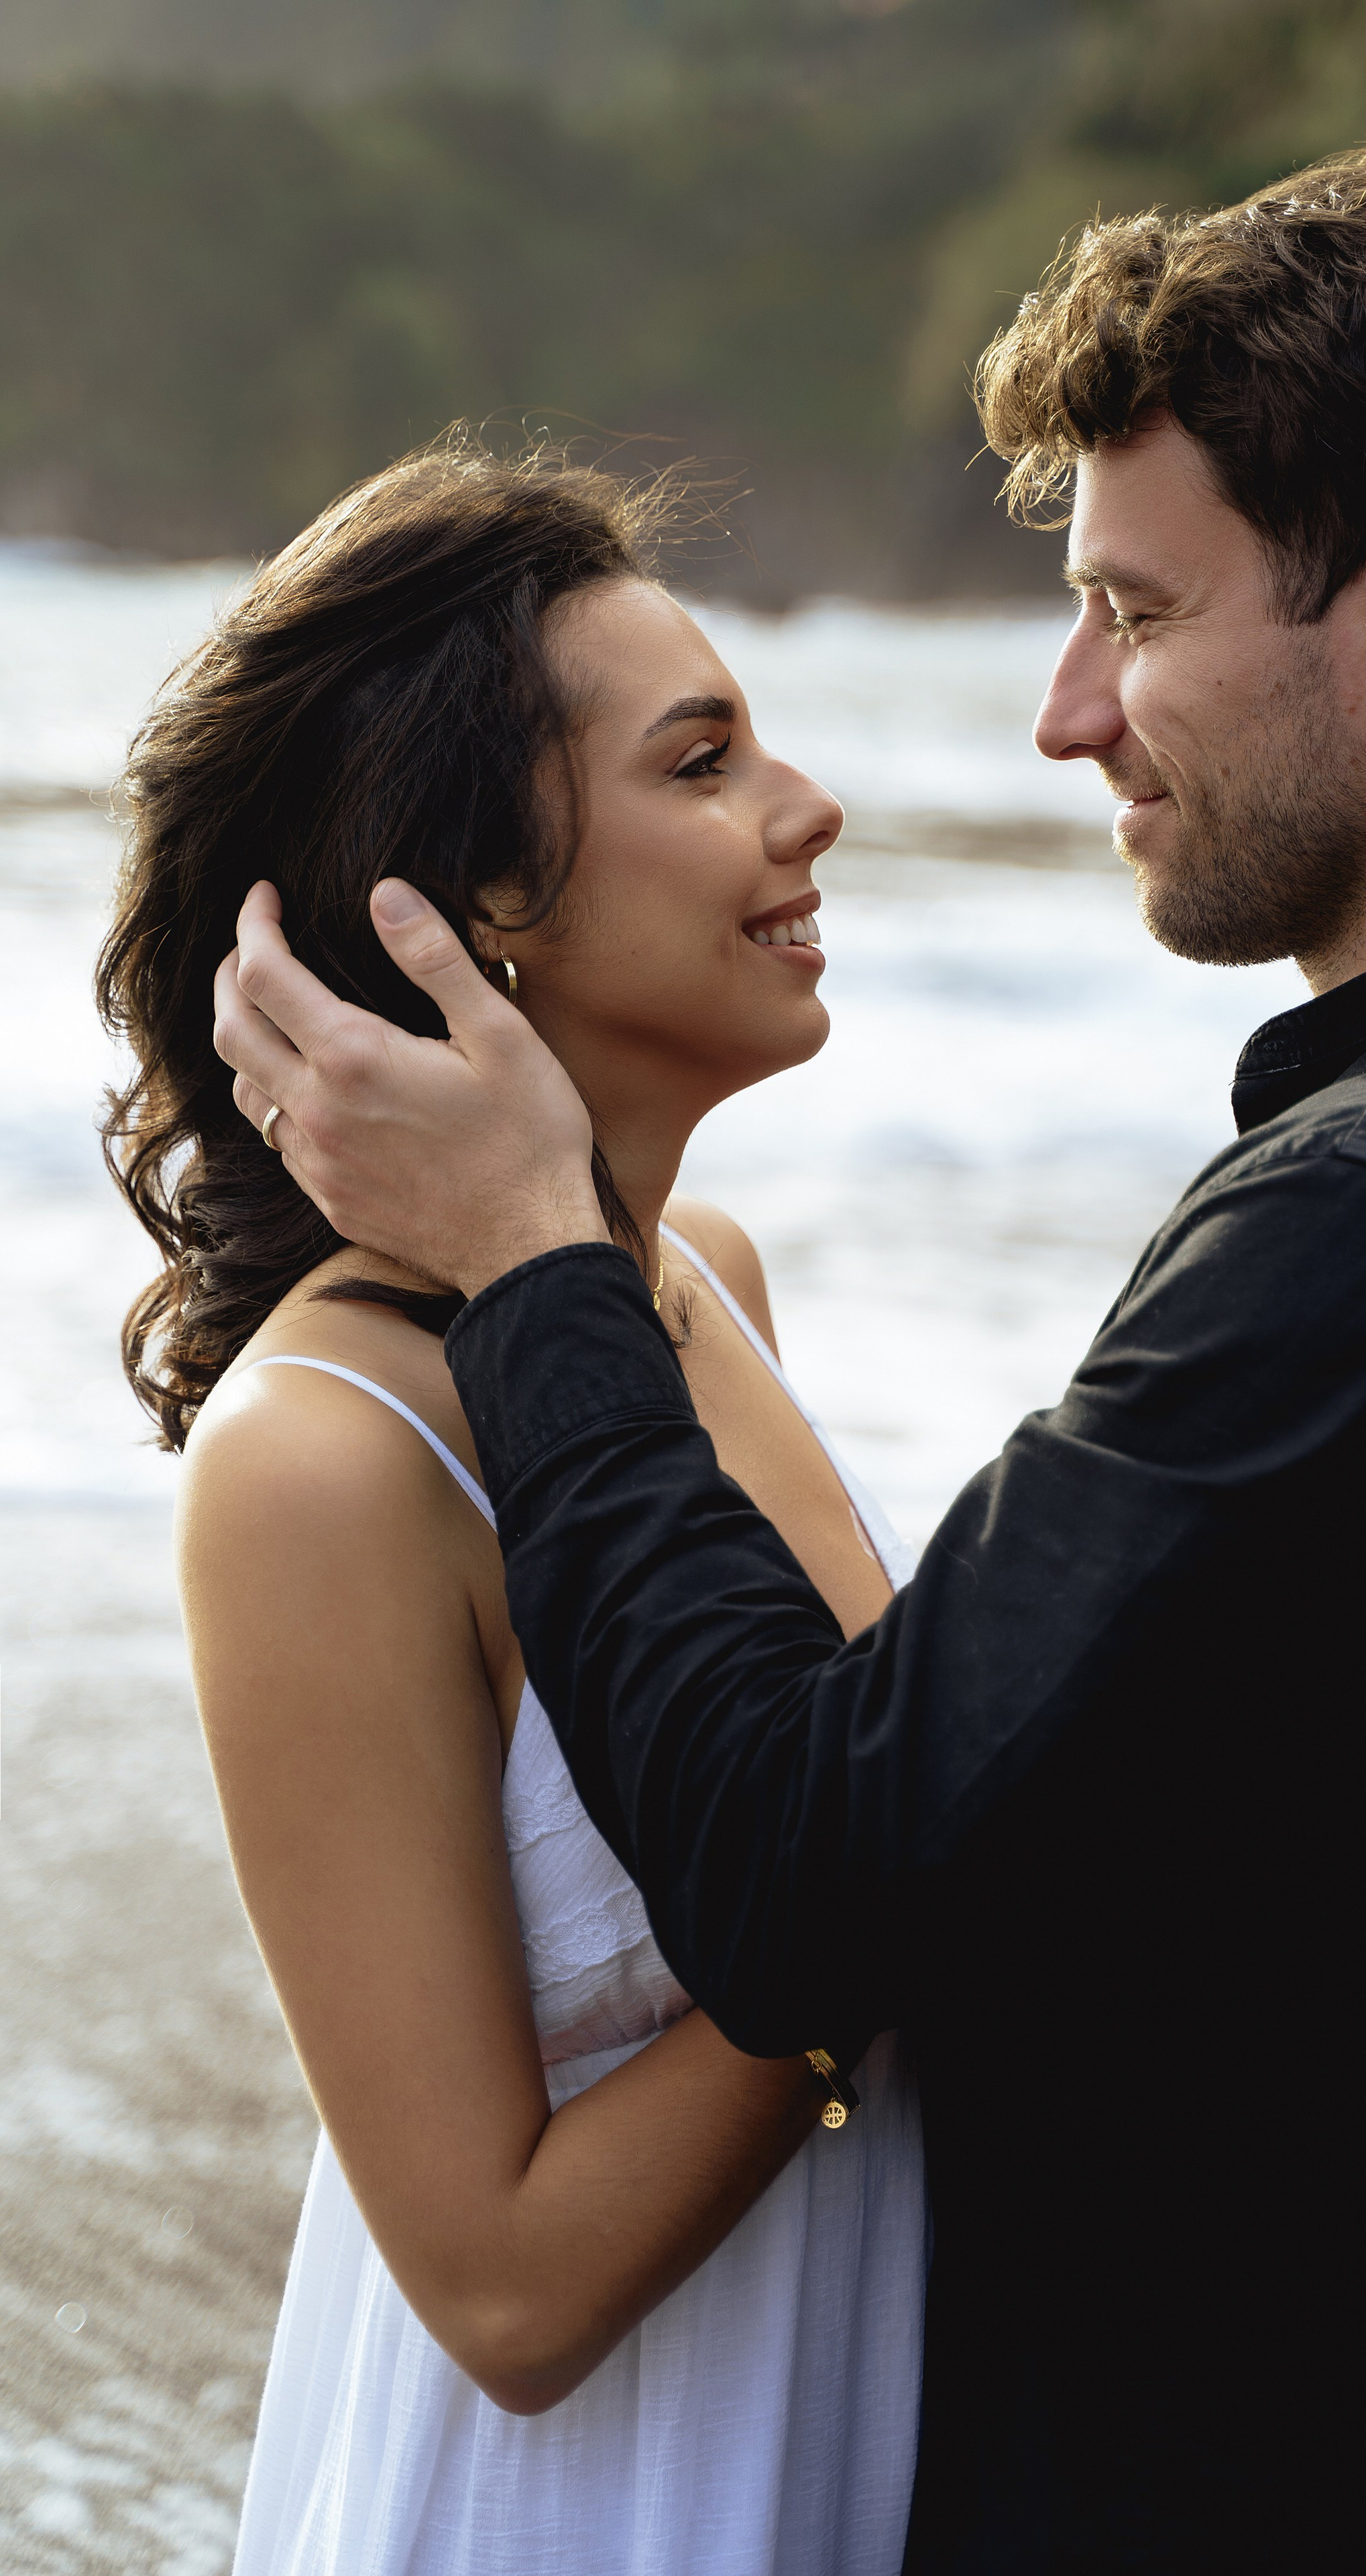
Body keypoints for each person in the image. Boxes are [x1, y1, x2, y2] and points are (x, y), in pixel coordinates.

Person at [211, 115, 1366, 2571]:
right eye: (701, 756)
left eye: (1135, 607)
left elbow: (816, 1881)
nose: (1065, 715)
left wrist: (541, 1264)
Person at [98, 441, 928, 2576]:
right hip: (594, 2511)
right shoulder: (324, 1460)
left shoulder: (706, 1281)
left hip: (854, 2433)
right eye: (705, 763)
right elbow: (503, 2289)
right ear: (472, 914)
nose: (809, 808)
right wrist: (919, 1868)